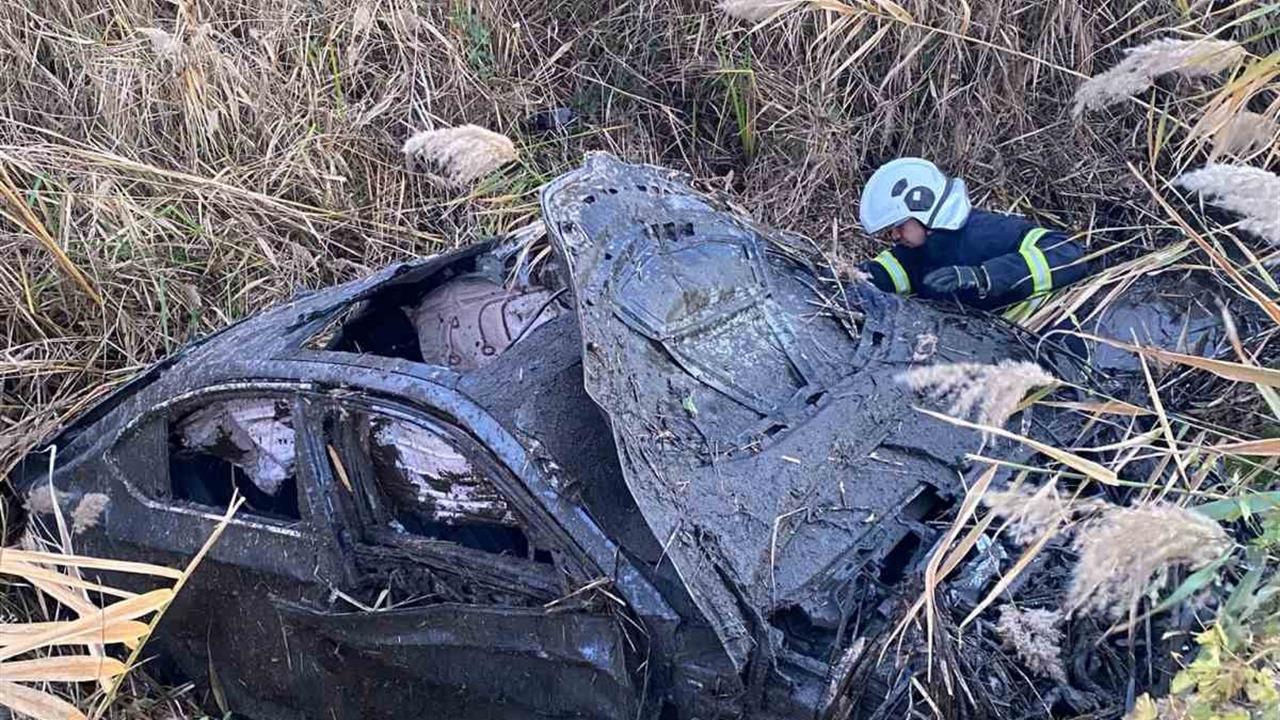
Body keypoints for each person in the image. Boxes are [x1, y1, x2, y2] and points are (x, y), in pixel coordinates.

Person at [857, 158, 1087, 320]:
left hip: (1049, 343)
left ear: (925, 212)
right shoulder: (917, 252)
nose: (895, 236)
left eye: (899, 226)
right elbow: (884, 274)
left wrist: (983, 277)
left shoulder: (985, 233)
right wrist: (848, 278)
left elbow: (1068, 254)